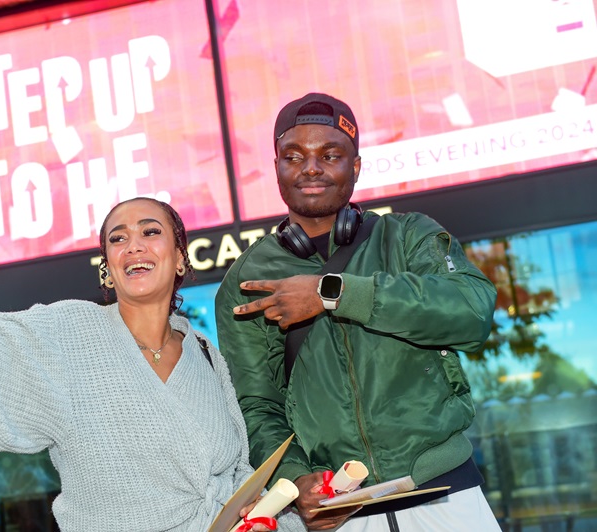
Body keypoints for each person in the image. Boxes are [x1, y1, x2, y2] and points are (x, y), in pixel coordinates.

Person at [0, 197, 305, 532]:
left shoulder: (205, 353)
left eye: (150, 231)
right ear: (108, 266)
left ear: (180, 258)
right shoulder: (68, 336)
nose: (133, 246)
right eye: (117, 239)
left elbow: (238, 469)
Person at [215, 93, 501, 531]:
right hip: (341, 512)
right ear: (276, 168)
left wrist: (333, 293)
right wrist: (295, 477)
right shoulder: (246, 278)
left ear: (356, 166)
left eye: (330, 155)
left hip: (447, 494)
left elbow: (472, 311)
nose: (311, 168)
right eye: (294, 156)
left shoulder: (408, 236)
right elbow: (256, 404)